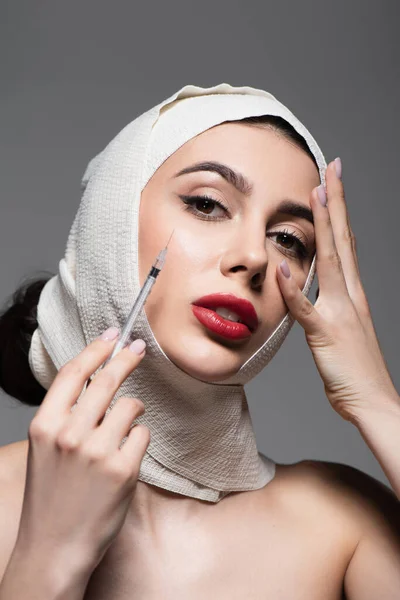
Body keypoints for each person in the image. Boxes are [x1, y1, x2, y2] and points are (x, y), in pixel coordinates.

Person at [0, 83, 399, 599]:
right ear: (111, 216)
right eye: (208, 204)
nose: (254, 257)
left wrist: (377, 403)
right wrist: (50, 557)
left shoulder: (341, 529)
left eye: (288, 240)